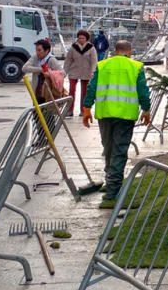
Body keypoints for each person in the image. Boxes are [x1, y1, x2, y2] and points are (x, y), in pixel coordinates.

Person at [82, 40, 152, 209]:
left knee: (109, 148)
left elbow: (92, 87)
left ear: (115, 51)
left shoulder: (103, 65)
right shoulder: (136, 66)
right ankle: (112, 194)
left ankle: (110, 182)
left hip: (105, 113)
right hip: (125, 115)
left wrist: (86, 108)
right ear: (130, 51)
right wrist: (146, 110)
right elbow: (142, 90)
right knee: (119, 151)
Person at [63, 30, 97, 117]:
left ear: (86, 39)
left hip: (86, 72)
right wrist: (64, 72)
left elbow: (94, 61)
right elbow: (68, 60)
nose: (81, 39)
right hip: (74, 71)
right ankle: (70, 110)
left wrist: (93, 71)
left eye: (83, 38)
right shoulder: (73, 47)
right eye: (79, 38)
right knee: (72, 90)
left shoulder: (91, 48)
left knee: (84, 92)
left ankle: (83, 110)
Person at [24, 39, 62, 103]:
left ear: (46, 51)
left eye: (39, 50)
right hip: (36, 89)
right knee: (36, 110)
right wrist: (40, 69)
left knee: (47, 111)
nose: (37, 52)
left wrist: (50, 74)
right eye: (36, 50)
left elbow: (62, 73)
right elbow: (24, 68)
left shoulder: (52, 60)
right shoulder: (35, 57)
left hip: (49, 91)